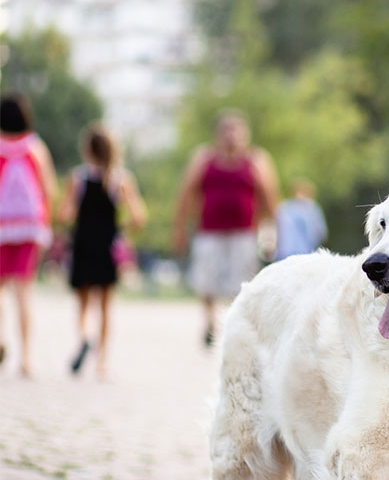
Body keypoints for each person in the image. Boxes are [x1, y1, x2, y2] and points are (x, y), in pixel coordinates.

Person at [172, 111, 279, 346]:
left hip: (244, 233)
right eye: (226, 130)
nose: (231, 136)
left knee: (240, 281)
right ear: (218, 134)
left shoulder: (257, 160)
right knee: (206, 280)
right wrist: (179, 229)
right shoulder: (203, 159)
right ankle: (210, 321)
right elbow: (185, 194)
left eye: (236, 130)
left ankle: (231, 321)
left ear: (245, 135)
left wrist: (272, 232)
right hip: (208, 231)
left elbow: (270, 199)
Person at [60, 123, 147, 380]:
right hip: (107, 246)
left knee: (84, 301)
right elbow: (139, 217)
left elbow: (64, 214)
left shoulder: (78, 178)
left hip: (84, 244)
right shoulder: (121, 180)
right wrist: (122, 228)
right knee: (106, 306)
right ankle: (102, 362)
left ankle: (86, 337)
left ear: (87, 149)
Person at [0, 93, 58, 378]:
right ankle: (26, 358)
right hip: (28, 228)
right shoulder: (35, 147)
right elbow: (49, 189)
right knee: (24, 293)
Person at [274, 179, 327, 261]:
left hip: (284, 253)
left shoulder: (283, 207)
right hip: (306, 254)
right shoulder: (312, 208)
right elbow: (321, 234)